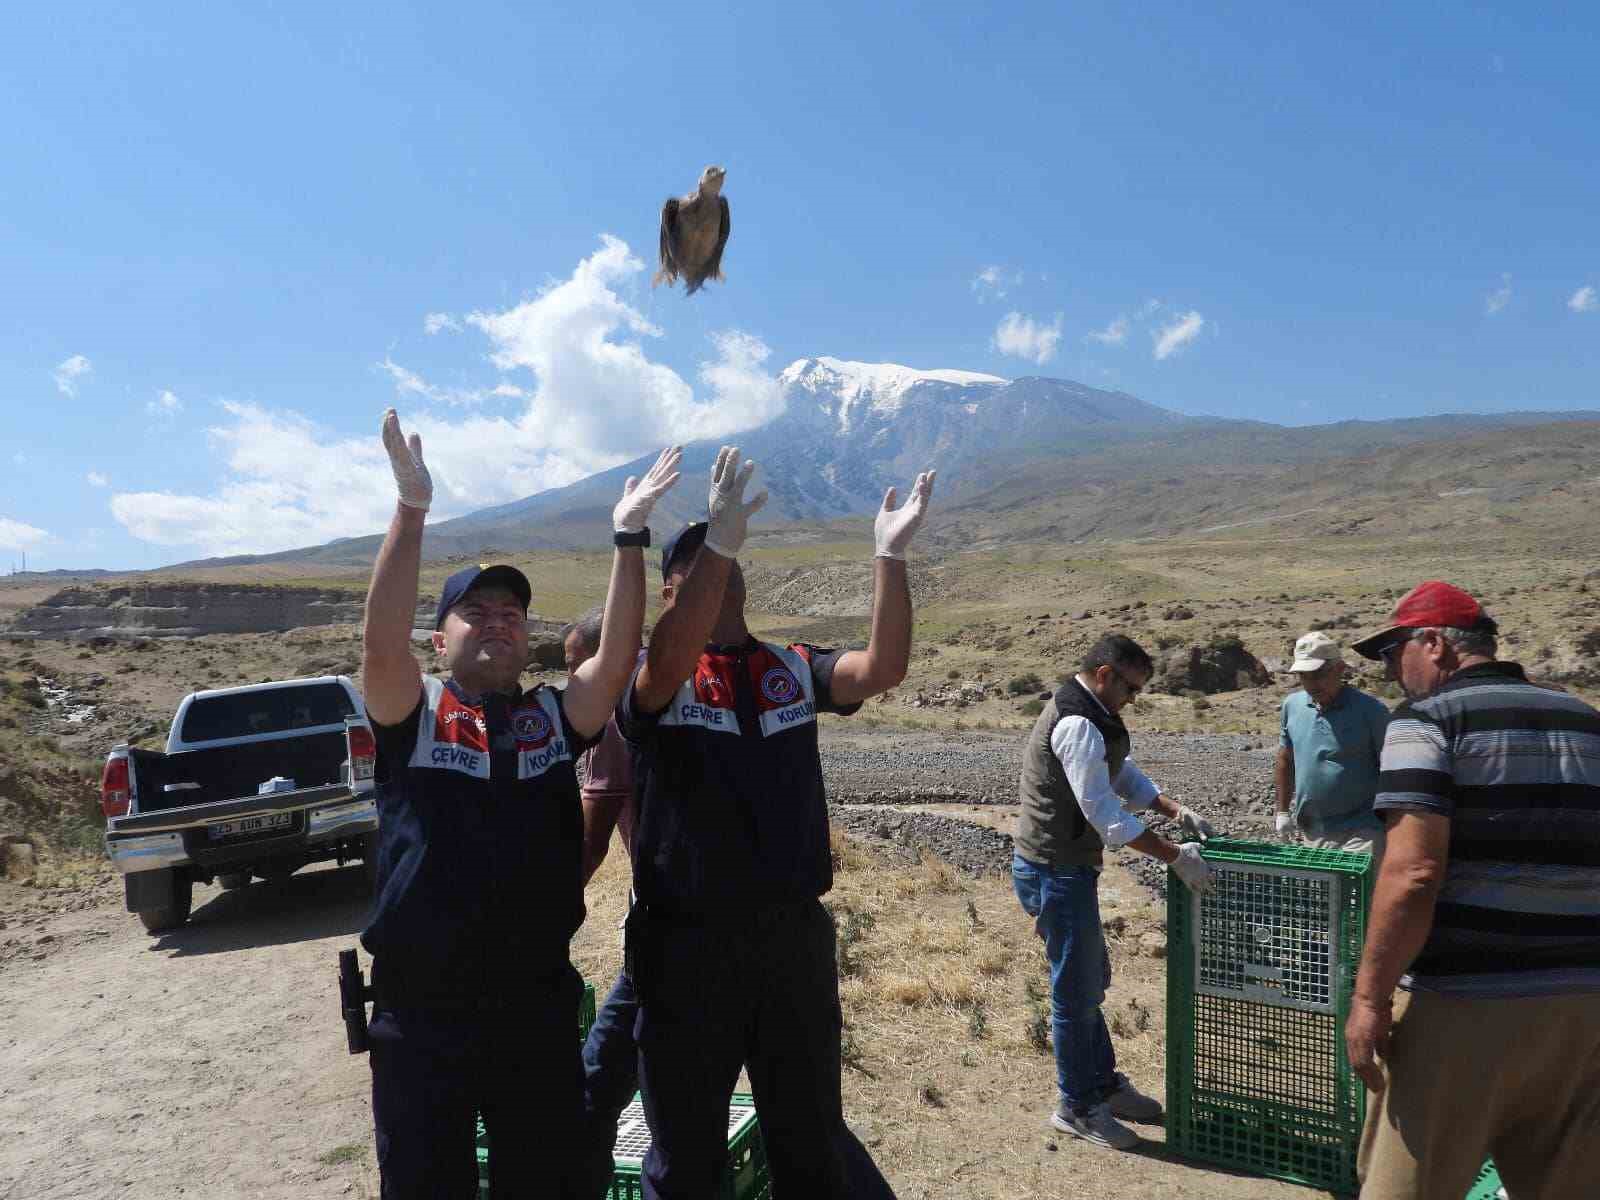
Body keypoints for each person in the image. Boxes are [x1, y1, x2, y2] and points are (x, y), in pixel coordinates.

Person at [358, 409, 680, 1199]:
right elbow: (380, 640)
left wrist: (629, 539)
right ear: (442, 641)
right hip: (422, 1011)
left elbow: (613, 663)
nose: (499, 622)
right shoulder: (414, 710)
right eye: (477, 612)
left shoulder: (549, 719)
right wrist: (411, 510)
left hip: (534, 1005)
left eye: (512, 614)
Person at [617, 445, 931, 1199]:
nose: (716, 570)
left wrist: (887, 556)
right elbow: (663, 668)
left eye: (725, 555)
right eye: (693, 563)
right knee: (687, 1150)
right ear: (668, 592)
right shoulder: (656, 677)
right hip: (686, 945)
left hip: (791, 939)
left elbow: (882, 668)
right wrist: (718, 542)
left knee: (809, 1137)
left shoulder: (791, 667)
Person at [1345, 581, 1600, 1200]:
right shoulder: (1587, 722)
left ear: (1433, 644)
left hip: (1463, 1003)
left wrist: (1370, 1000)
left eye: (1393, 652)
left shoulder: (1429, 720)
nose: (1389, 671)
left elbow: (1414, 874)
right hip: (1584, 1008)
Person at [1012, 633, 1218, 1152]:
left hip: (1067, 870)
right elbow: (1104, 814)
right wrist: (1175, 855)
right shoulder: (1078, 722)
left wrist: (1171, 808)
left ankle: (1101, 1083)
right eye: (1131, 688)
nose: (1132, 699)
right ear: (1105, 675)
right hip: (1055, 871)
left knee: (1087, 983)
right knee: (1073, 994)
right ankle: (1076, 1106)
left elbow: (1120, 772)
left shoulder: (1095, 715)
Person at [562, 606, 646, 1140]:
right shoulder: (669, 677)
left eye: (575, 664)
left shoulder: (613, 707)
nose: (572, 679)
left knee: (600, 1071)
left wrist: (540, 916)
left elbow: (591, 841)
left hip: (670, 916)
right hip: (748, 908)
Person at [1273, 630, 1391, 853]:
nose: (1311, 683)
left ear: (1339, 669)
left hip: (1363, 827)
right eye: (1303, 675)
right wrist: (1282, 812)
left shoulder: (1371, 711)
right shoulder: (1292, 706)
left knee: (1354, 885)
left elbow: (1392, 770)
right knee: (1324, 888)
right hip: (1314, 829)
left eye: (1318, 674)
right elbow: (1285, 760)